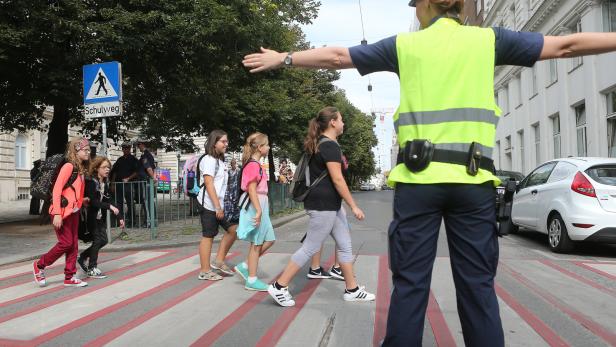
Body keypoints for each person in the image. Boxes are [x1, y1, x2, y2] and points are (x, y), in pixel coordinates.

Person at [242, 0, 616, 344]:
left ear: (423, 5)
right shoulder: (489, 40)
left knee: (410, 286)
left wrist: (284, 58)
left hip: (419, 184)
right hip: (473, 183)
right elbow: (566, 46)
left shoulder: (405, 46)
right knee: (478, 287)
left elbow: (339, 56)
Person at [266, 107, 375, 307]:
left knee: (344, 244)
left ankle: (352, 289)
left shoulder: (322, 143)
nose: (343, 123)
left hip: (330, 204)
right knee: (311, 247)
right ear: (333, 122)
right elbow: (338, 179)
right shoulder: (329, 146)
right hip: (323, 204)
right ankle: (279, 286)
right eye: (341, 119)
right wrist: (353, 205)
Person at [33, 137, 90, 288]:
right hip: (62, 212)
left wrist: (81, 201)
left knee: (73, 245)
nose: (88, 152)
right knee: (66, 243)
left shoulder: (81, 169)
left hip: (74, 211)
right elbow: (57, 189)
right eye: (85, 150)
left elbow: (73, 190)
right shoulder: (68, 167)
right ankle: (39, 265)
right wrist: (57, 213)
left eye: (89, 149)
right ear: (76, 151)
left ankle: (69, 277)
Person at [234, 132, 275, 291]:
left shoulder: (256, 164)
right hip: (256, 204)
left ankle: (245, 266)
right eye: (267, 144)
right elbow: (251, 189)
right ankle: (251, 279)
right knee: (256, 243)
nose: (269, 147)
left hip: (260, 203)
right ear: (260, 147)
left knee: (269, 239)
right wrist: (258, 211)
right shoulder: (253, 165)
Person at [196, 130, 236, 280]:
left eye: (226, 141)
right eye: (223, 141)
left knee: (234, 229)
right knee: (208, 235)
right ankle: (205, 271)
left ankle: (218, 260)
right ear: (214, 143)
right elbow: (209, 183)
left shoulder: (220, 161)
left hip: (220, 204)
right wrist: (217, 207)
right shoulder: (208, 160)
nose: (226, 144)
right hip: (209, 204)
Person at [78, 156, 125, 279]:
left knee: (103, 240)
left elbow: (110, 200)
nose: (107, 169)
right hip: (90, 216)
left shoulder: (105, 183)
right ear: (97, 168)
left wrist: (119, 216)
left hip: (99, 217)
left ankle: (83, 256)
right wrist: (110, 207)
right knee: (98, 240)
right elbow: (93, 202)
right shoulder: (91, 182)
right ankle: (92, 267)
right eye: (104, 167)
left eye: (108, 167)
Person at [110, 142, 138, 228]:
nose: (125, 150)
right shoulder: (120, 160)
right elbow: (114, 172)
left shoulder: (133, 159)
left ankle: (132, 222)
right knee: (119, 204)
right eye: (124, 148)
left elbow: (137, 172)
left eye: (127, 148)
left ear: (129, 149)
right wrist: (112, 184)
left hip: (129, 185)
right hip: (119, 185)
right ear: (122, 149)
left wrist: (128, 178)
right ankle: (120, 221)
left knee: (130, 204)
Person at [136, 139, 157, 228]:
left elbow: (148, 168)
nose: (138, 147)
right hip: (148, 181)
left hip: (146, 181)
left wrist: (153, 178)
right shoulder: (149, 155)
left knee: (146, 201)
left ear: (142, 145)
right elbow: (154, 168)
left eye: (138, 145)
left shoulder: (145, 155)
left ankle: (149, 222)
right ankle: (152, 221)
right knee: (149, 201)